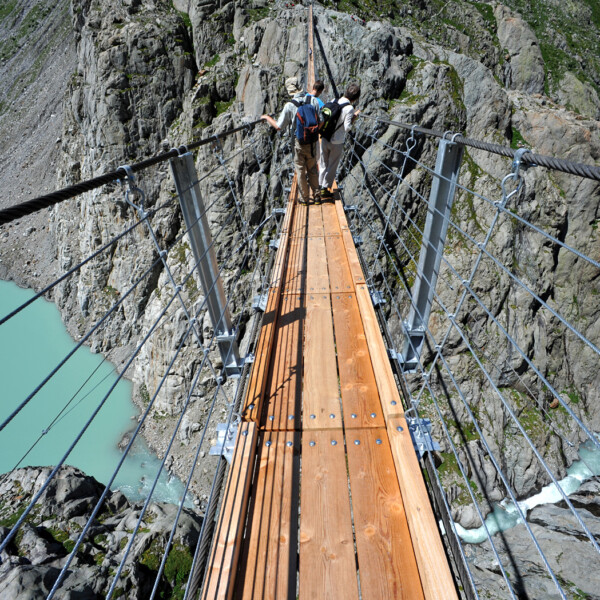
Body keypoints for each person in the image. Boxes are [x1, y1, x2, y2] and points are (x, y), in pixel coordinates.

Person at [261, 77, 320, 205]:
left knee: (300, 170)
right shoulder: (313, 100)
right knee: (312, 169)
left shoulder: (289, 106)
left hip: (298, 142)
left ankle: (304, 199)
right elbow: (319, 121)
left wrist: (267, 118)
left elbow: (278, 126)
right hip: (312, 142)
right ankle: (317, 196)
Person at [318, 82, 361, 201]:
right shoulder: (349, 108)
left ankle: (319, 185)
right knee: (332, 165)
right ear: (356, 98)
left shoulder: (334, 100)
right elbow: (347, 128)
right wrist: (354, 117)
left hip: (325, 137)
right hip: (337, 141)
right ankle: (325, 189)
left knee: (323, 163)